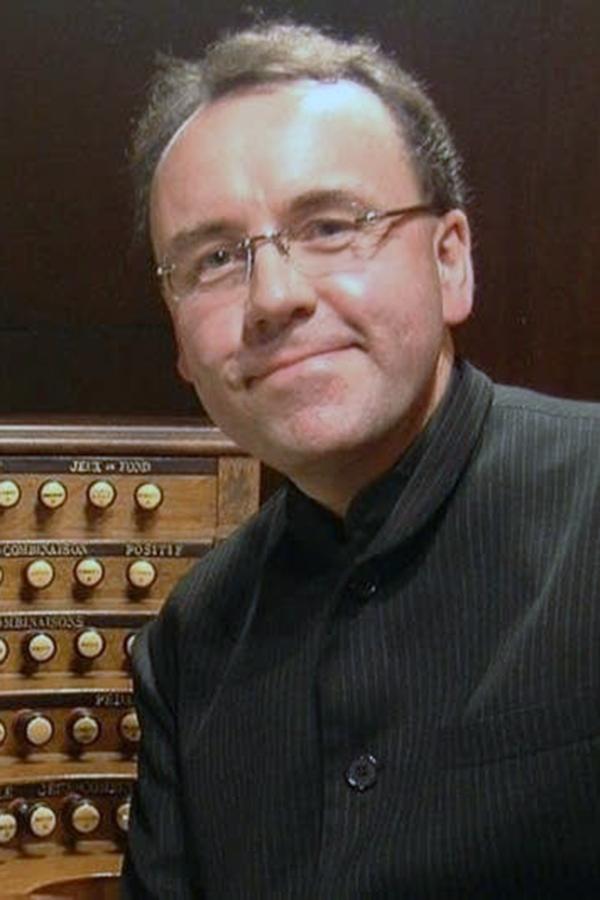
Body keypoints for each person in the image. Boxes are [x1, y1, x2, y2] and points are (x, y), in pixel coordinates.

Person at [121, 21, 600, 899]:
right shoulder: (191, 641)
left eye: (331, 226)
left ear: (451, 263)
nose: (274, 297)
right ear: (181, 345)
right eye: (216, 258)